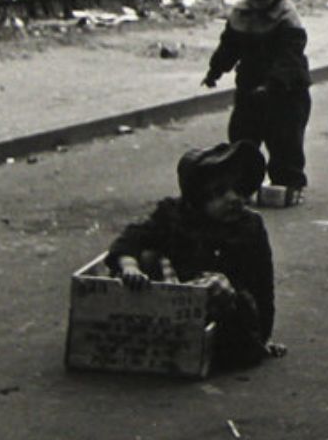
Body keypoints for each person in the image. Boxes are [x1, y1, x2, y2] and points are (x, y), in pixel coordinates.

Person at [106, 141, 287, 369]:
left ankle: (209, 344)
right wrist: (129, 266)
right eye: (219, 192)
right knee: (149, 257)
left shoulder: (249, 227)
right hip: (171, 301)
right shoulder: (174, 215)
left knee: (219, 286)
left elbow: (262, 283)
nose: (233, 198)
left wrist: (264, 335)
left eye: (239, 189)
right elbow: (132, 238)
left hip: (227, 314)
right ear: (198, 198)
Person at [203, 0, 312, 207]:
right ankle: (243, 183)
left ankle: (289, 183)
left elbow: (290, 56)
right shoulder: (241, 15)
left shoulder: (287, 18)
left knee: (285, 140)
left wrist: (274, 82)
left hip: (286, 93)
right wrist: (215, 70)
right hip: (250, 89)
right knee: (242, 137)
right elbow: (229, 46)